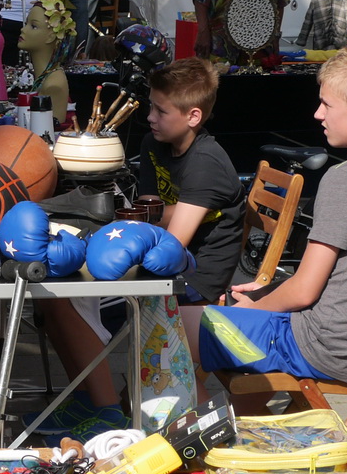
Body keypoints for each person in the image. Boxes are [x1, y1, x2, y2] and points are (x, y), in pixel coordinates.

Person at [200, 46, 347, 389]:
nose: (317, 114)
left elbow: (304, 292)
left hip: (315, 347)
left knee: (174, 325)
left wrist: (251, 309)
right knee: (231, 308)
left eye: (326, 104)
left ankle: (192, 421)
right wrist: (268, 292)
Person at [38, 59, 242, 439]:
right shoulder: (154, 144)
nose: (150, 117)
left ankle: (107, 411)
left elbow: (173, 243)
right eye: (151, 106)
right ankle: (86, 398)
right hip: (159, 266)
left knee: (65, 299)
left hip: (191, 281)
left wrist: (122, 229)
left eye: (161, 111)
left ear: (193, 116)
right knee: (49, 297)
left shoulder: (207, 164)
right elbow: (148, 215)